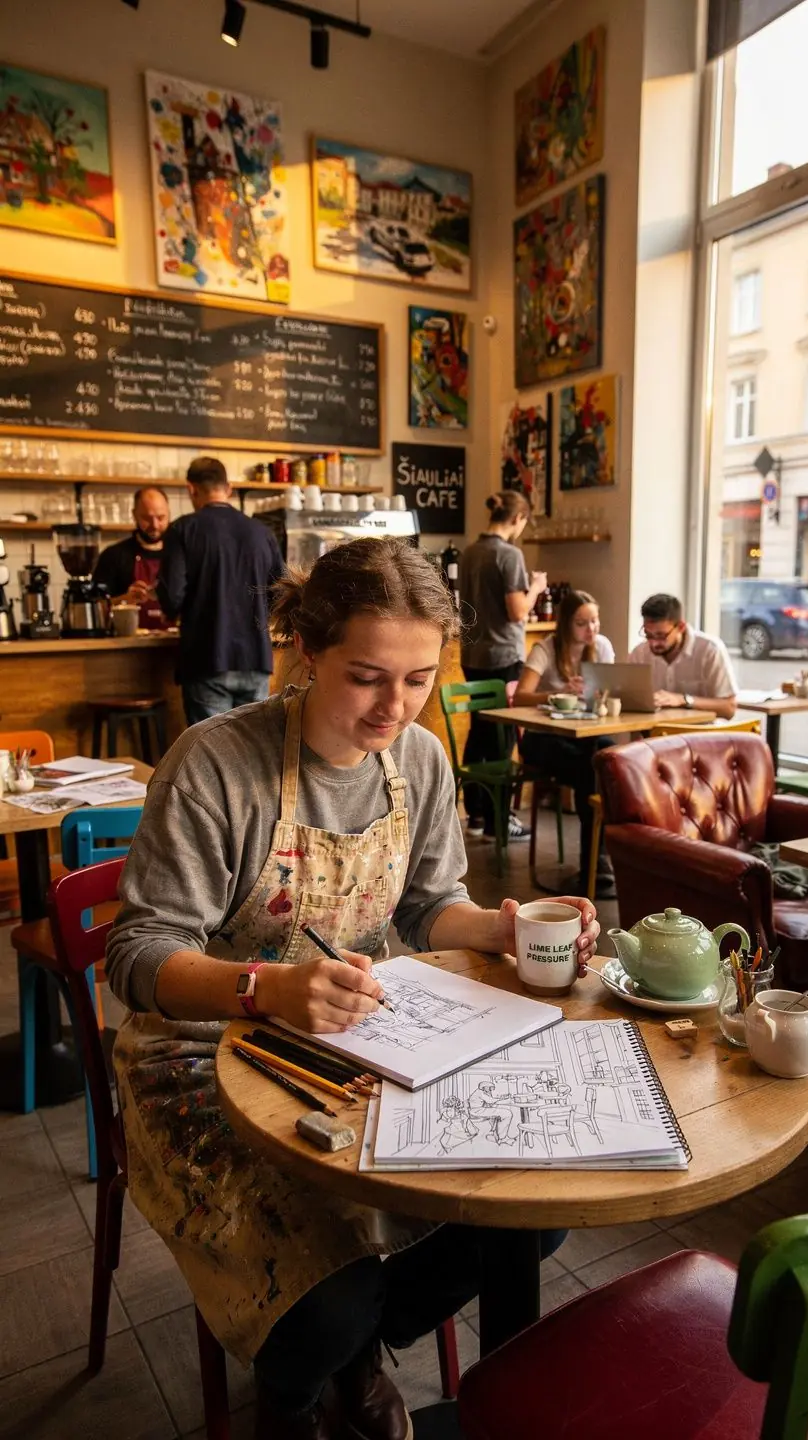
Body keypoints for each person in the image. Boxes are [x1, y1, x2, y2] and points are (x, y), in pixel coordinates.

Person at [106, 537, 600, 1440]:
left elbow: (427, 906)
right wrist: (267, 990)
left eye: (418, 680)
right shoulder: (216, 762)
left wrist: (493, 926)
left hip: (357, 1036)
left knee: (532, 1222)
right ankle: (300, 1388)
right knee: (326, 1301)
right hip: (200, 1048)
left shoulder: (418, 759)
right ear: (303, 647)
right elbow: (139, 954)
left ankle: (353, 1353)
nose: (396, 708)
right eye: (368, 677)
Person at [157, 455, 284, 725]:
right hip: (256, 659)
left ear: (191, 488)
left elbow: (171, 598)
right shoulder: (262, 533)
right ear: (228, 488)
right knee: (254, 751)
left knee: (211, 755)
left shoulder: (182, 530)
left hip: (207, 659)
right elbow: (281, 594)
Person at [458, 490, 548, 840]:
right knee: (501, 737)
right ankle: (499, 820)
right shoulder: (509, 554)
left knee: (479, 733)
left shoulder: (470, 552)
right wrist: (536, 587)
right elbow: (518, 610)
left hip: (473, 654)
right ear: (517, 518)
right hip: (504, 656)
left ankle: (477, 813)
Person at [513, 589, 616, 894]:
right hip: (541, 739)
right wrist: (558, 694)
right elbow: (520, 696)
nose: (592, 629)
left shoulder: (603, 647)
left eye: (595, 621)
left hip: (583, 735)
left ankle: (597, 863)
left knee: (610, 758)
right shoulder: (545, 649)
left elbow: (610, 690)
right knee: (592, 771)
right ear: (566, 625)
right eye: (582, 623)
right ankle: (595, 866)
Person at [628, 593, 738, 719]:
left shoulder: (709, 650)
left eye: (661, 635)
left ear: (680, 627)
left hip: (700, 733)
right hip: (657, 733)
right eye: (648, 635)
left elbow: (729, 708)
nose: (653, 643)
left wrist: (684, 700)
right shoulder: (640, 653)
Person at [92, 485, 172, 628]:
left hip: (175, 644)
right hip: (128, 647)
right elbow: (95, 609)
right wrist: (125, 600)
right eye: (147, 518)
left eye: (161, 518)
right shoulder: (114, 555)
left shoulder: (182, 553)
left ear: (169, 514)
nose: (155, 525)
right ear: (134, 515)